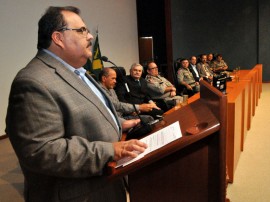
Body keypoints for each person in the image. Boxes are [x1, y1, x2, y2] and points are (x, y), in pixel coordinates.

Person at [5, 6, 147, 202]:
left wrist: (117, 122)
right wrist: (110, 150)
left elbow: (86, 111)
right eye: (81, 30)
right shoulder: (33, 81)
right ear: (58, 38)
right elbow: (42, 151)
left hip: (104, 184)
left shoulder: (77, 71)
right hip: (77, 193)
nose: (89, 37)